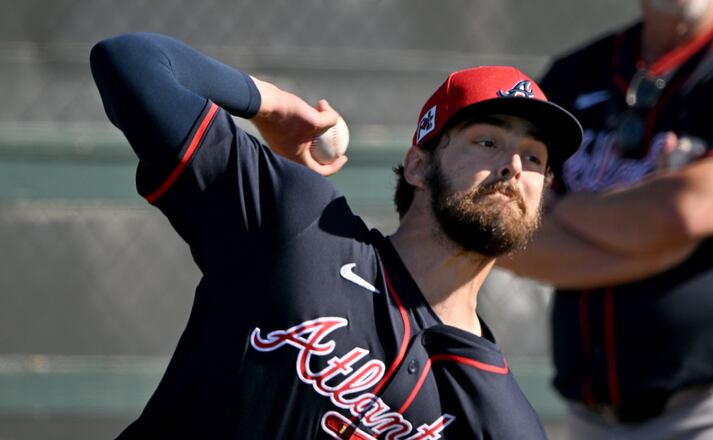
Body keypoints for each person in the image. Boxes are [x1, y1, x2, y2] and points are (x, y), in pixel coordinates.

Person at [89, 32, 582, 439]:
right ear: (417, 164)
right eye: (488, 141)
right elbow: (131, 63)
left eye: (535, 157)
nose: (513, 167)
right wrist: (272, 105)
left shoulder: (501, 420)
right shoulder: (302, 228)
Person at [499, 0, 713, 438]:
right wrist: (654, 237)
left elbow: (693, 208)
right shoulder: (576, 73)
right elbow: (510, 235)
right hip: (590, 414)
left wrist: (565, 208)